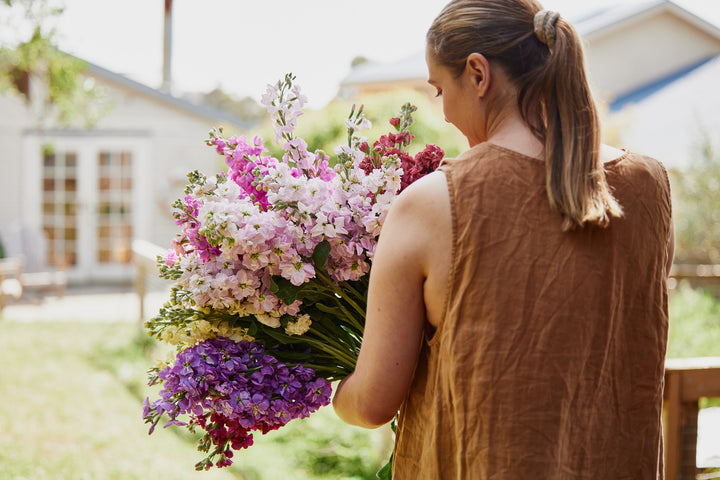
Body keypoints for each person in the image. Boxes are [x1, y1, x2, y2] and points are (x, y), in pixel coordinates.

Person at [332, 0, 674, 478]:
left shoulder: (434, 202)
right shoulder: (649, 185)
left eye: (439, 89)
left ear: (477, 74)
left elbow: (372, 403)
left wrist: (334, 390)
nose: (445, 113)